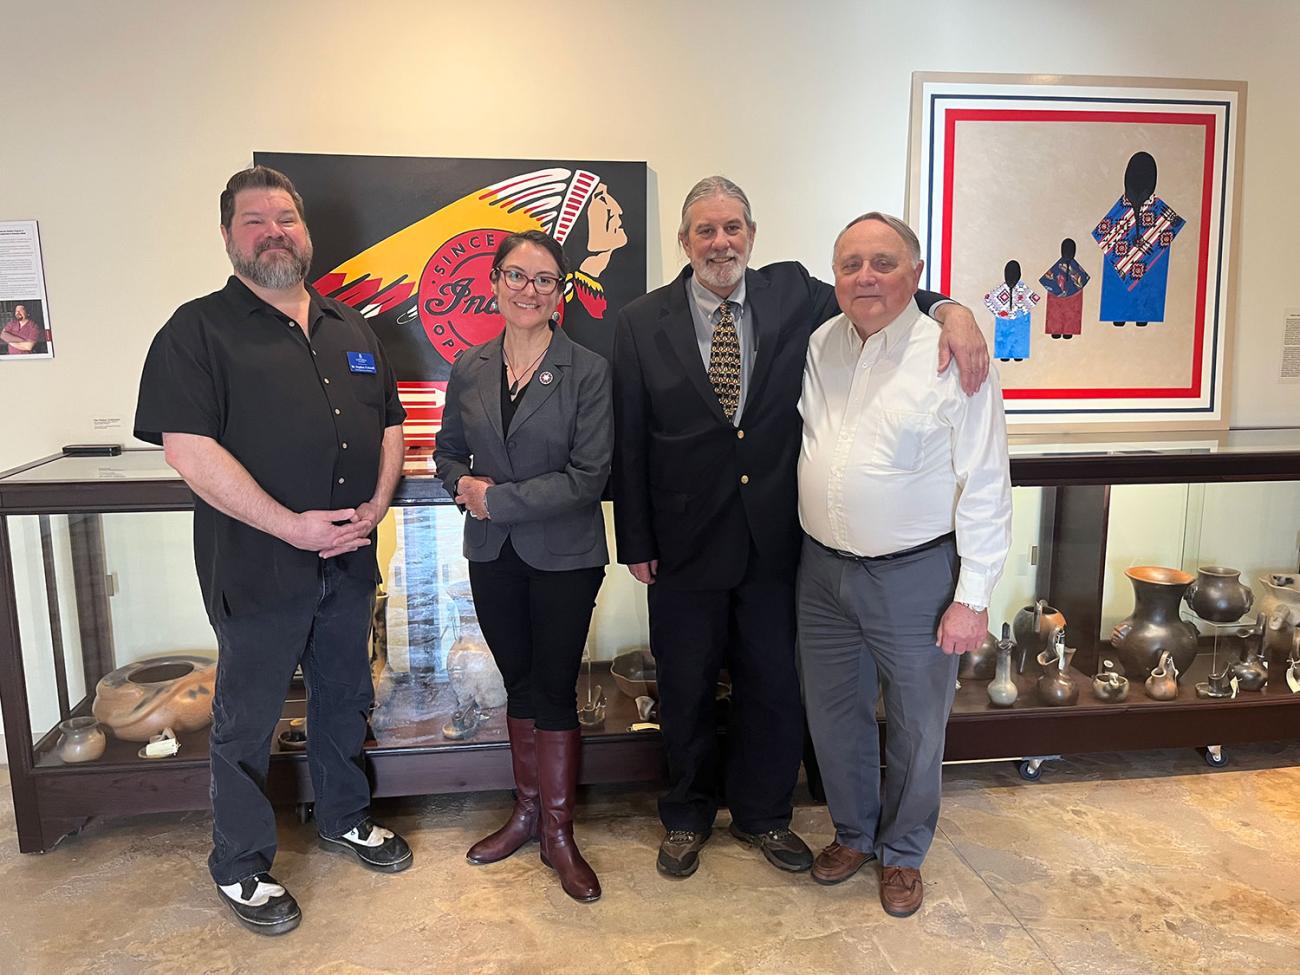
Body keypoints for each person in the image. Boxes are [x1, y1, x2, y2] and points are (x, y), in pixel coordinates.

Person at [610, 177, 989, 880]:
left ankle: (763, 814)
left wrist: (954, 309)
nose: (720, 243)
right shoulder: (640, 320)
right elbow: (629, 436)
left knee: (775, 685)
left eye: (732, 228)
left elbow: (880, 289)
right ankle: (687, 814)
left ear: (752, 234)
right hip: (683, 545)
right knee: (685, 684)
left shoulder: (793, 293)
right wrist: (635, 540)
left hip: (776, 541)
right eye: (705, 230)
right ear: (684, 241)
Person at [134, 166, 412, 936]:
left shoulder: (352, 328)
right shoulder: (196, 330)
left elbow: (391, 424)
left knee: (344, 698)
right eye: (254, 221)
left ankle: (345, 816)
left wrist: (378, 501)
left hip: (348, 563)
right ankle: (240, 861)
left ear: (305, 230)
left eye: (285, 217)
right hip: (257, 570)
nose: (273, 232)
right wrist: (291, 527)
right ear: (228, 236)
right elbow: (188, 450)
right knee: (246, 721)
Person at [796, 212, 1011, 918]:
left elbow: (985, 479)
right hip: (821, 572)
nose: (865, 277)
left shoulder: (952, 353)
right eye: (850, 264)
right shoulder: (821, 342)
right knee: (835, 715)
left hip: (916, 576)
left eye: (883, 263)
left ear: (916, 275)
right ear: (834, 276)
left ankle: (904, 851)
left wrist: (972, 595)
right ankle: (854, 834)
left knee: (919, 724)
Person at [434, 229, 612, 903]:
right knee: (519, 684)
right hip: (493, 555)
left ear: (560, 291)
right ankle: (528, 814)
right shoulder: (470, 367)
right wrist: (461, 484)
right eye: (516, 275)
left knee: (555, 688)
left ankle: (560, 834)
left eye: (543, 279)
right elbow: (447, 451)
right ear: (495, 282)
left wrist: (497, 499)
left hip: (564, 556)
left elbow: (588, 477)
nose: (529, 289)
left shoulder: (587, 370)